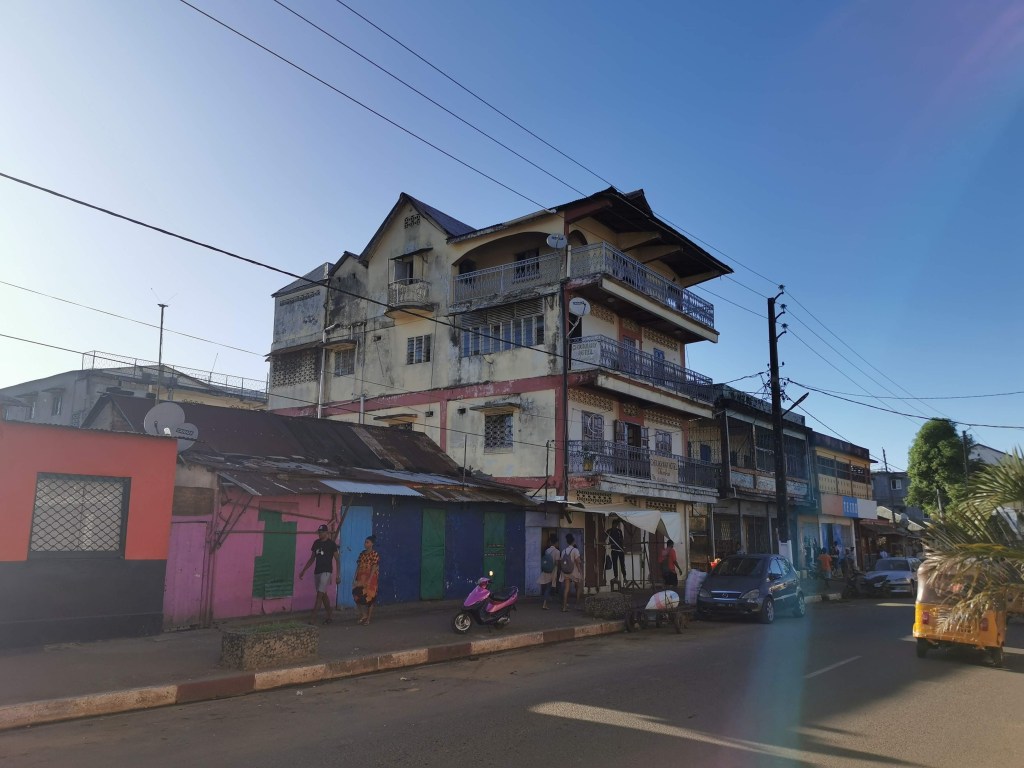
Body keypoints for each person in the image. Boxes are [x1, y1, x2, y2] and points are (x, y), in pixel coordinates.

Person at [299, 524, 340, 625]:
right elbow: (312, 558)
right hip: (317, 571)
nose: (319, 534)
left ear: (326, 533)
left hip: (326, 572)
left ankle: (312, 619)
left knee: (319, 595)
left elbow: (337, 560)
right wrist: (304, 570)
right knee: (323, 594)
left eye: (321, 532)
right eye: (319, 532)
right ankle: (330, 615)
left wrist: (338, 575)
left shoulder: (331, 544)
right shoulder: (316, 543)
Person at [352, 535, 380, 625]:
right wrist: (354, 578)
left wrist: (369, 580)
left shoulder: (375, 554)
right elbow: (358, 566)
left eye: (367, 542)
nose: (365, 544)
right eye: (365, 542)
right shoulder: (362, 554)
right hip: (361, 578)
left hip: (371, 579)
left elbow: (374, 568)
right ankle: (364, 614)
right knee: (356, 594)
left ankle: (368, 619)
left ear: (372, 544)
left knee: (370, 598)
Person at [560, 533, 582, 612]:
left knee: (566, 589)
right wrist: (580, 571)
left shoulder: (564, 551)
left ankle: (564, 607)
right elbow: (578, 562)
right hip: (574, 572)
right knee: (578, 587)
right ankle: (577, 604)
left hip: (566, 571)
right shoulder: (575, 550)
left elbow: (561, 561)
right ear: (573, 541)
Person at [538, 533, 561, 609]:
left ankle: (547, 602)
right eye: (557, 543)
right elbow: (557, 563)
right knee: (550, 587)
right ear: (556, 543)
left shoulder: (547, 550)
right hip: (553, 571)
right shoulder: (557, 552)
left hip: (546, 570)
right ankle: (545, 604)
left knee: (548, 586)